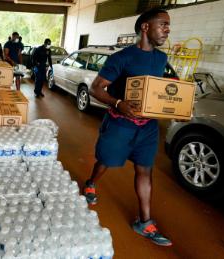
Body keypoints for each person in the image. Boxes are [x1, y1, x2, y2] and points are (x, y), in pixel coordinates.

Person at [83, 8, 172, 246]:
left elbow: (157, 91)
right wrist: (118, 103)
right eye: (162, 24)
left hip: (148, 128)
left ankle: (145, 222)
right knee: (105, 161)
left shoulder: (161, 59)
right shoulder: (121, 58)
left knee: (145, 170)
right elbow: (96, 88)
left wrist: (174, 109)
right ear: (145, 27)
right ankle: (91, 183)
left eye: (167, 25)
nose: (167, 29)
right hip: (120, 124)